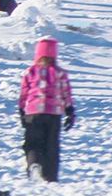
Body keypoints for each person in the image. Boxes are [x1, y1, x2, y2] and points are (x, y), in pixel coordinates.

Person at [18, 37, 75, 182]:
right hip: (54, 113)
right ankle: (50, 175)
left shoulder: (30, 72)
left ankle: (34, 163)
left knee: (33, 142)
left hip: (33, 112)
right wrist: (69, 110)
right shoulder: (60, 73)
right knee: (51, 144)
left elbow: (24, 93)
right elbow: (66, 93)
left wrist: (22, 110)